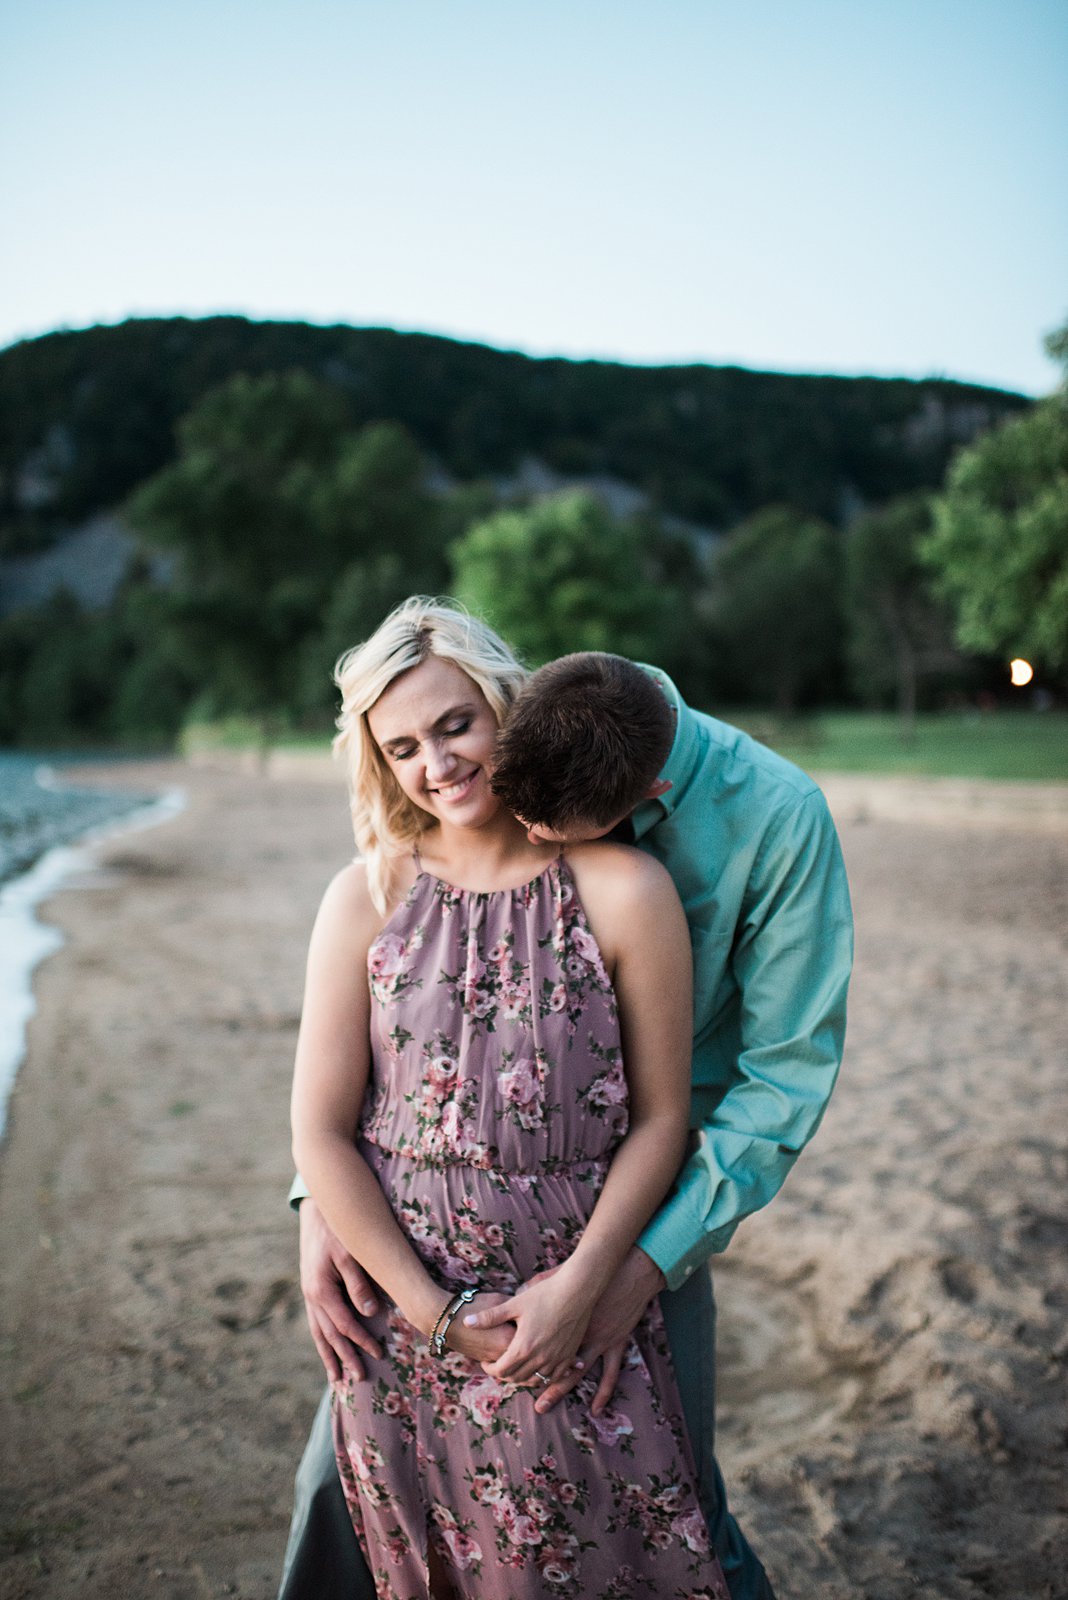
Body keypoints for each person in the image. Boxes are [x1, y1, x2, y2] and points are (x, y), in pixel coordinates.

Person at [281, 634, 854, 1600]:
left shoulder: (765, 822)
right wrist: (321, 1213)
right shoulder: (561, 721)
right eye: (406, 747)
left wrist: (629, 1270)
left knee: (667, 1510)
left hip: (636, 1215)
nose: (441, 760)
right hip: (420, 1267)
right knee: (339, 1504)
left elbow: (771, 1084)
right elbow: (354, 1095)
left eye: (459, 727)